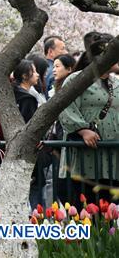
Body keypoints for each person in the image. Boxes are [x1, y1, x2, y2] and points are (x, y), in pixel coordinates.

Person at [58, 48, 119, 203]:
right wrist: (82, 129)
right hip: (85, 153)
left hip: (112, 154)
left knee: (108, 213)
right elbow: (65, 105)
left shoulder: (116, 82)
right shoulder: (77, 79)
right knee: (84, 206)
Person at [11, 60, 47, 209]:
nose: (38, 74)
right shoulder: (27, 98)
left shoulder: (13, 93)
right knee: (36, 191)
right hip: (28, 153)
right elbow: (30, 126)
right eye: (34, 71)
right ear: (26, 75)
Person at [46, 53, 76, 204]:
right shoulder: (57, 86)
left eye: (58, 66)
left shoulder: (71, 87)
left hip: (68, 141)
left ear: (69, 69)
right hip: (59, 142)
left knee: (66, 187)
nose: (54, 70)